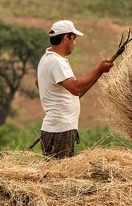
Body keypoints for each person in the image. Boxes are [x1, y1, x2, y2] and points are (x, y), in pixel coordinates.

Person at [36, 19, 115, 158]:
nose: (75, 43)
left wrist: (100, 72)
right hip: (60, 129)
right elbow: (76, 88)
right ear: (66, 38)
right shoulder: (57, 62)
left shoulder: (46, 58)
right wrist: (99, 69)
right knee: (60, 175)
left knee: (54, 173)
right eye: (74, 38)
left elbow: (39, 83)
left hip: (55, 128)